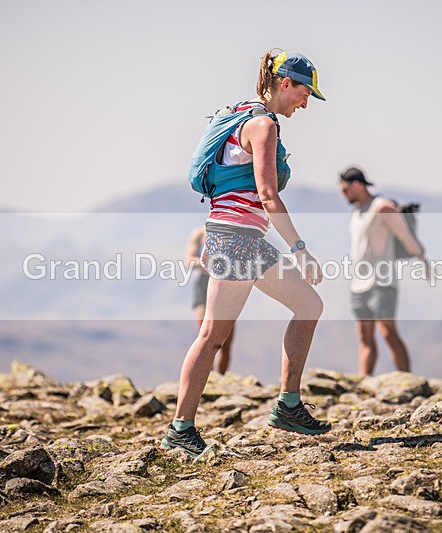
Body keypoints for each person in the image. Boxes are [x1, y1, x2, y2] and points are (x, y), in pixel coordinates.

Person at [161, 50, 331, 458]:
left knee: (307, 306)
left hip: (236, 238)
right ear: (285, 83)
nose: (306, 102)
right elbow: (269, 196)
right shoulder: (262, 126)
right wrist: (301, 250)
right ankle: (180, 430)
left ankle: (288, 406)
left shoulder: (242, 116)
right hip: (237, 239)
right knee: (213, 336)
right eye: (305, 92)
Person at [339, 166, 428, 376]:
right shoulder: (357, 212)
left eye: (345, 190)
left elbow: (407, 238)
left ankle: (407, 380)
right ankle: (364, 380)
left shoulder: (382, 208)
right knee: (364, 335)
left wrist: (422, 258)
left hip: (382, 281)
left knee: (388, 332)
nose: (343, 195)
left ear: (357, 185)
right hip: (358, 283)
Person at [184, 225, 234, 375]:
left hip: (225, 285)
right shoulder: (199, 233)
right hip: (204, 285)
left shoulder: (231, 231)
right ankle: (204, 378)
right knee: (204, 337)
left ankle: (221, 379)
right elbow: (189, 261)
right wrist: (211, 265)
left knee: (225, 342)